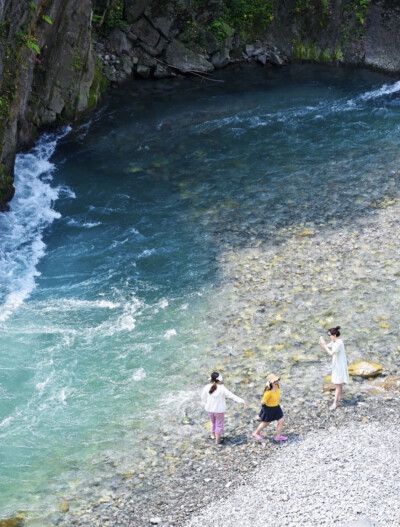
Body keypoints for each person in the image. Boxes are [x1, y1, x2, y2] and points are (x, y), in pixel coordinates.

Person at [201, 371, 246, 445]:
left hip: (209, 409)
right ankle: (217, 441)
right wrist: (242, 401)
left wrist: (206, 403)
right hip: (219, 411)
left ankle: (212, 435)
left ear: (211, 379)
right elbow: (232, 396)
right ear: (219, 380)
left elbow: (203, 398)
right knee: (219, 425)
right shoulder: (222, 388)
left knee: (212, 422)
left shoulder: (206, 387)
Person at [319, 325, 349, 410]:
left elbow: (331, 353)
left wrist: (324, 346)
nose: (329, 336)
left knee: (337, 384)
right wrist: (322, 343)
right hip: (337, 365)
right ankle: (341, 396)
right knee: (339, 383)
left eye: (329, 335)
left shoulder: (339, 343)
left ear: (334, 335)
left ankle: (335, 403)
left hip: (339, 366)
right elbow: (325, 348)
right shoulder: (334, 341)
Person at [252, 373, 287, 442]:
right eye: (274, 381)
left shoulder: (277, 387)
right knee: (266, 423)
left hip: (276, 407)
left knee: (281, 421)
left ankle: (278, 437)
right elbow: (262, 402)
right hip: (269, 409)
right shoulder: (268, 392)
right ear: (270, 383)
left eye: (277, 381)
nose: (276, 382)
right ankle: (256, 433)